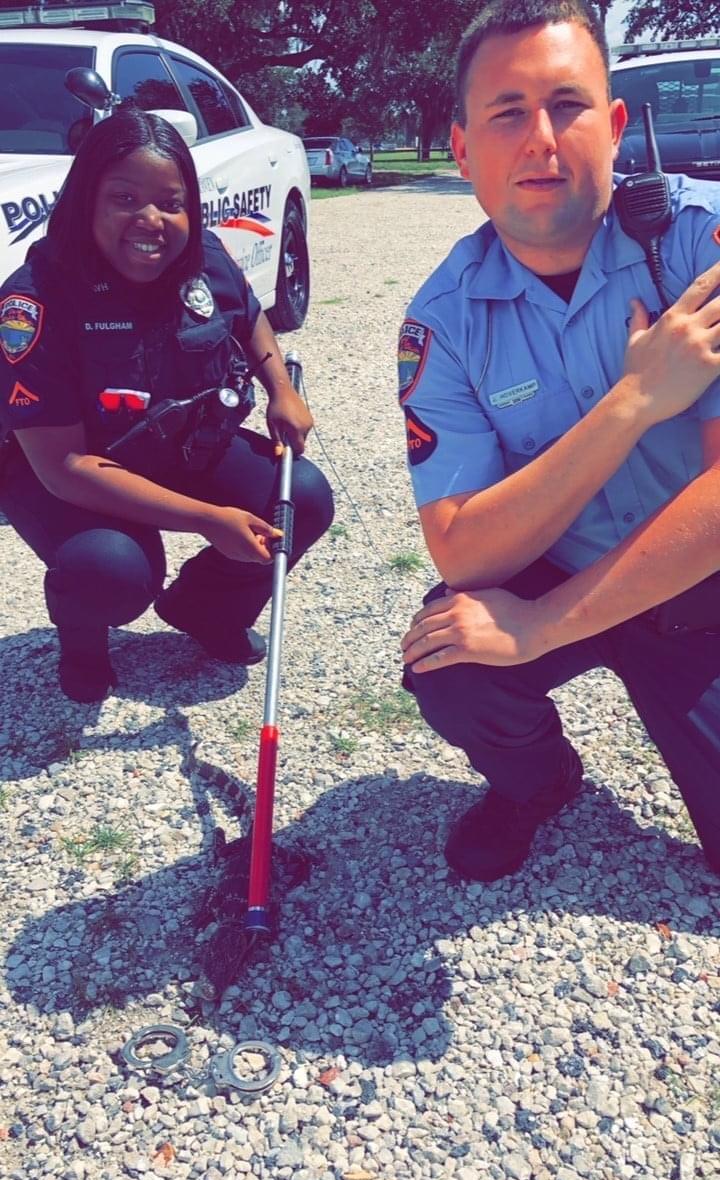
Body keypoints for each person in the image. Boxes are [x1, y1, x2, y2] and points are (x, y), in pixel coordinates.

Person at [399, 0, 720, 883]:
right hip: (562, 553)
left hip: (697, 573)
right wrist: (633, 402)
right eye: (507, 112)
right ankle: (536, 783)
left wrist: (541, 625)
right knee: (449, 653)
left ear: (616, 127)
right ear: (463, 149)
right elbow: (461, 547)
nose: (541, 138)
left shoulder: (699, 242)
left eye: (569, 104)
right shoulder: (444, 320)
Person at [0, 107, 333, 702]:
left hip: (176, 440)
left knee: (300, 499)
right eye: (125, 198)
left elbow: (249, 320)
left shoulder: (203, 257)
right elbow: (63, 466)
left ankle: (207, 610)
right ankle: (83, 643)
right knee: (112, 568)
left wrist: (281, 390)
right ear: (87, 200)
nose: (150, 220)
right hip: (74, 474)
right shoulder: (35, 300)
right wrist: (207, 518)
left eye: (170, 202)